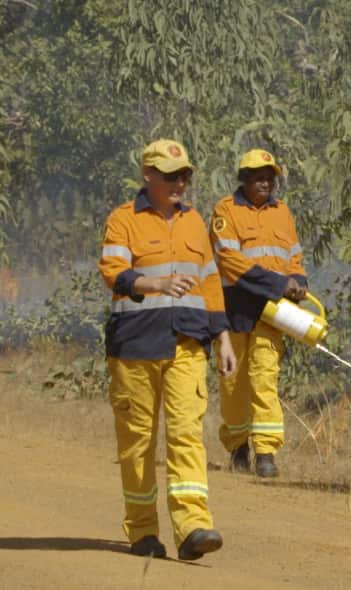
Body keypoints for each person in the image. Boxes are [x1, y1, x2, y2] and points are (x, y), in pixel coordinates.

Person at [98, 139, 236, 561]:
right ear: (148, 175)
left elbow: (210, 284)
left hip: (188, 342)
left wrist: (223, 336)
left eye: (185, 176)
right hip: (136, 343)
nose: (180, 183)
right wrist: (153, 284)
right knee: (138, 441)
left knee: (186, 434)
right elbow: (112, 272)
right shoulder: (123, 220)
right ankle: (142, 531)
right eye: (172, 175)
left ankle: (193, 526)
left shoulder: (195, 222)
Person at [209, 149, 307, 478]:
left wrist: (299, 282)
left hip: (273, 311)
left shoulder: (283, 212)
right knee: (234, 381)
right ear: (244, 179)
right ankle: (238, 447)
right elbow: (229, 260)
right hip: (236, 305)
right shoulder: (225, 210)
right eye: (257, 176)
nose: (265, 181)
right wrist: (278, 282)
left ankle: (266, 452)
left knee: (265, 375)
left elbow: (294, 257)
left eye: (269, 176)